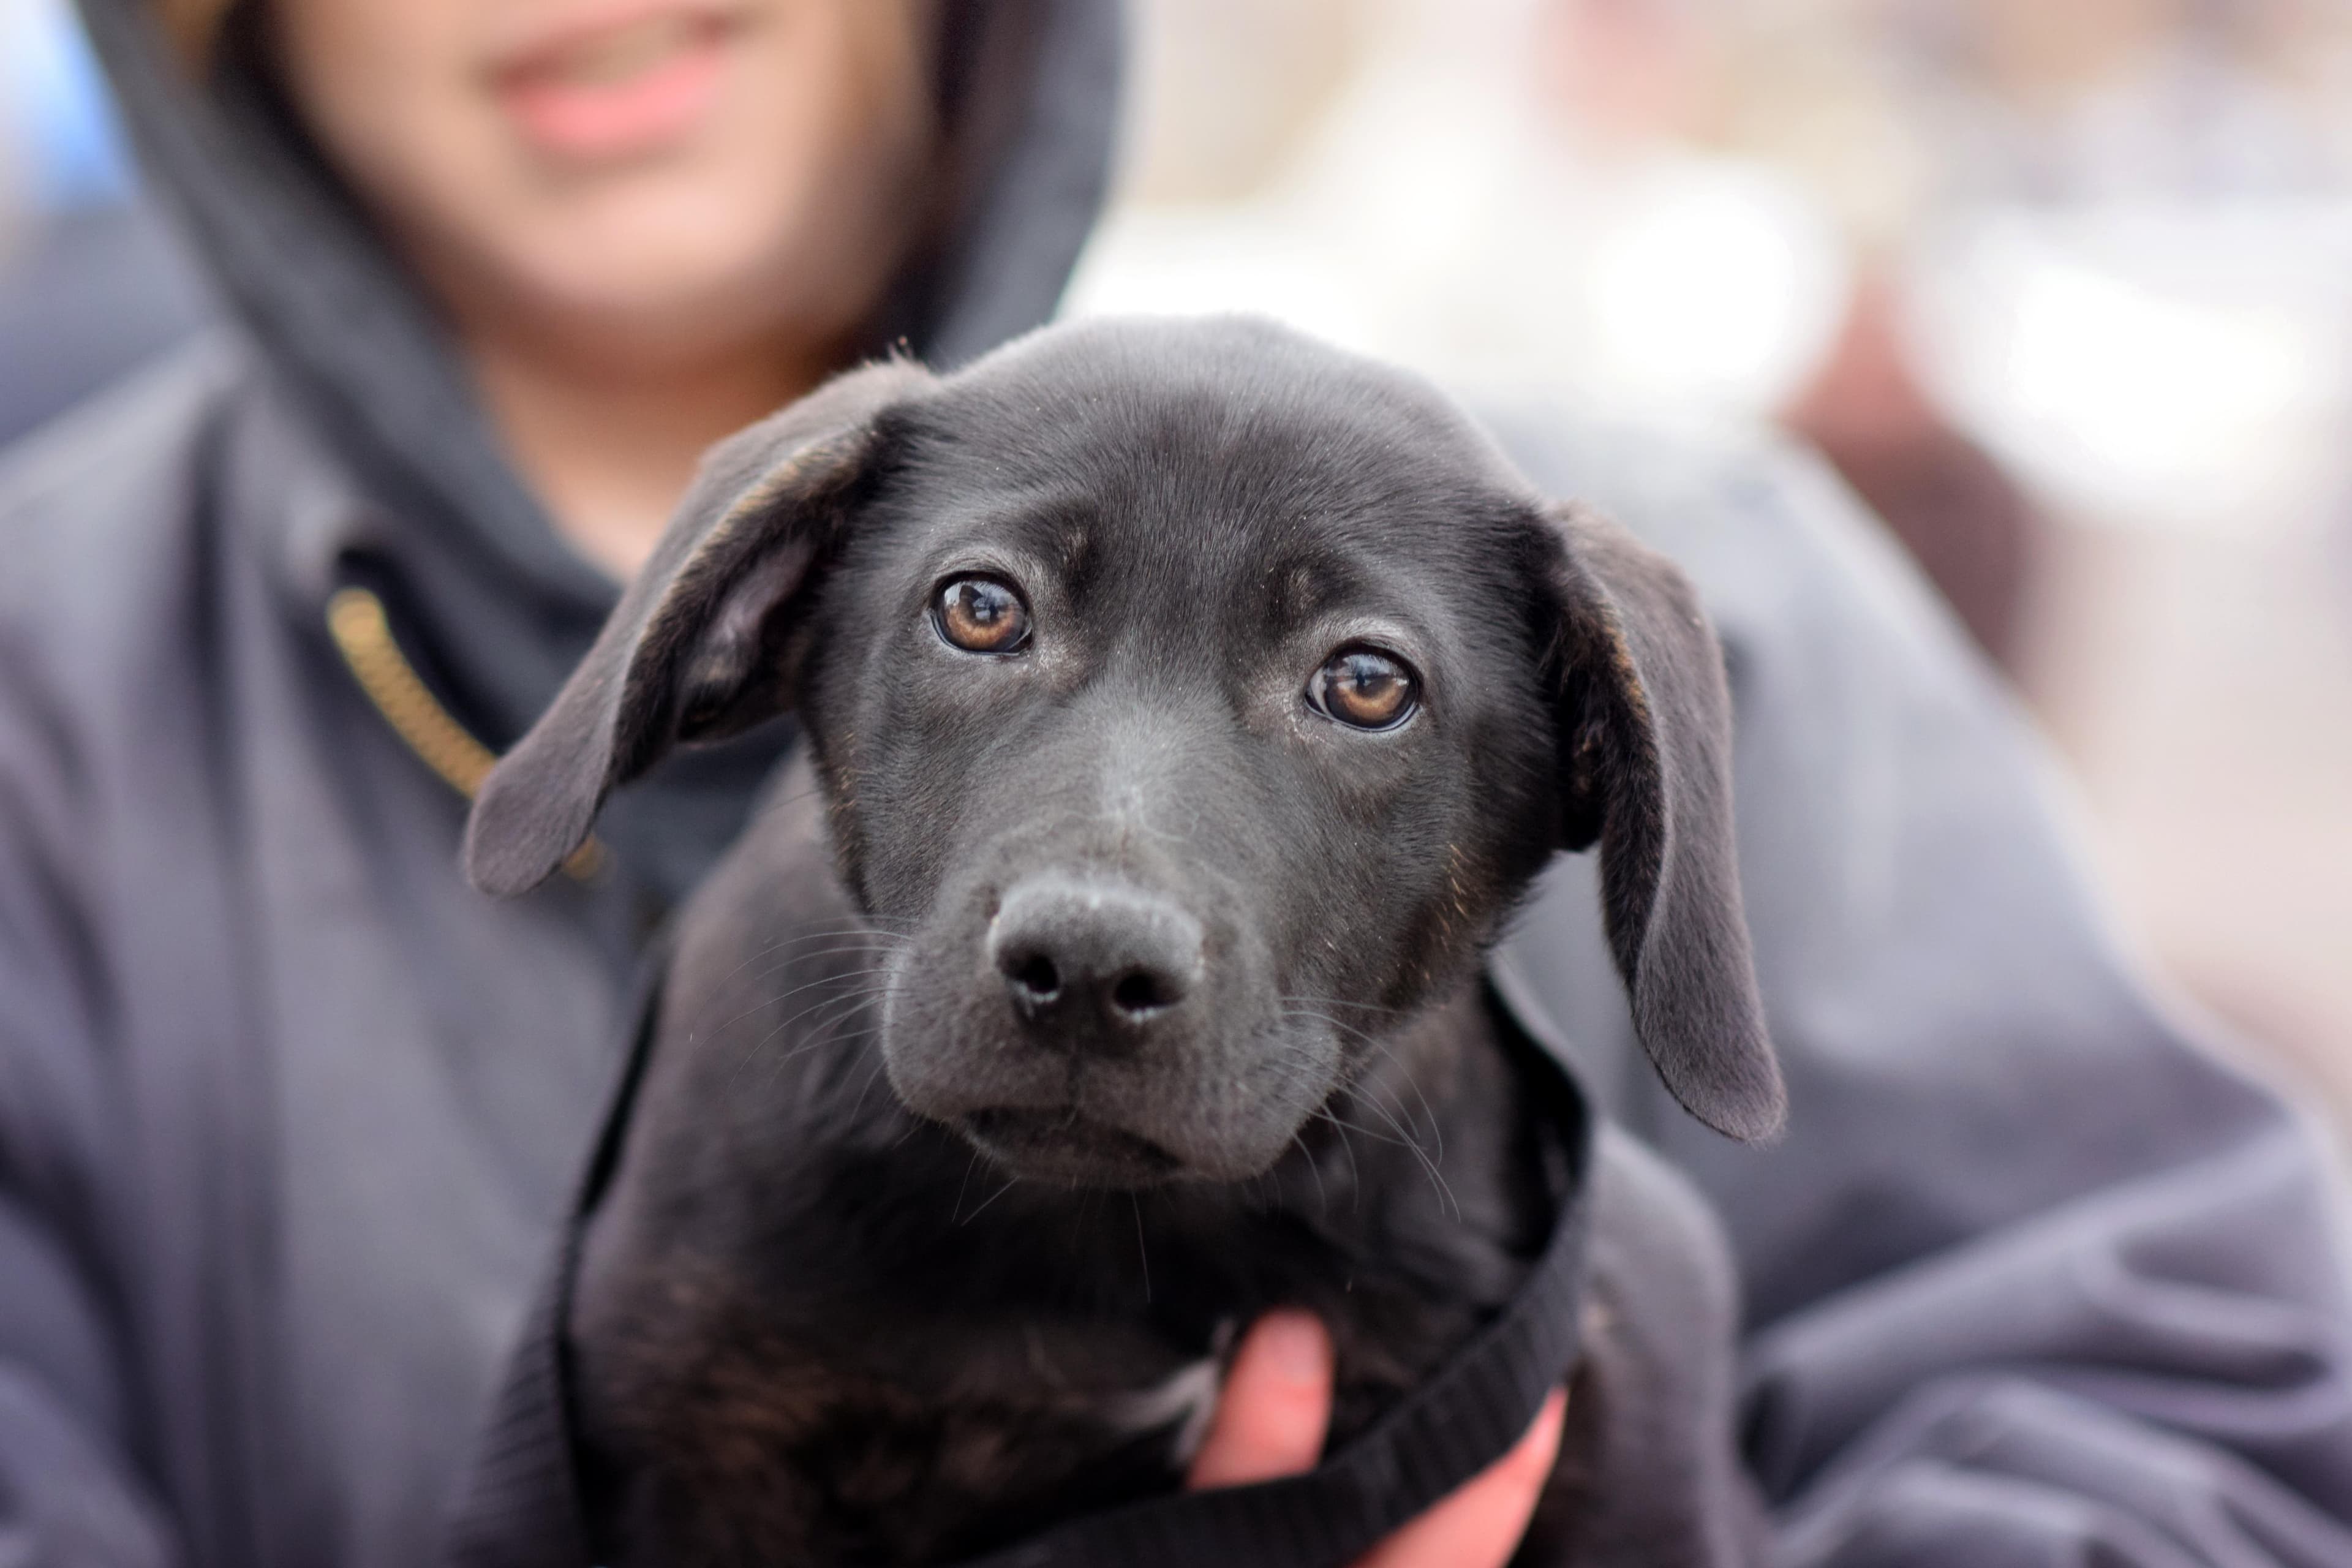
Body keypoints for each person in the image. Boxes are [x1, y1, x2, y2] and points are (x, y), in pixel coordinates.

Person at [0, 2, 2344, 1566]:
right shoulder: (50, 717)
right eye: (988, 618)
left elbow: (2214, 1416)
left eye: (1354, 687)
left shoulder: (1700, 604)